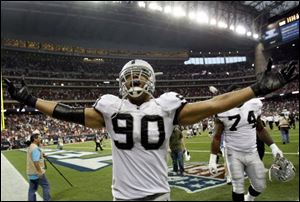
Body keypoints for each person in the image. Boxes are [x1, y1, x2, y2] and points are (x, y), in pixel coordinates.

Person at [5, 58, 297, 201]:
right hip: (122, 195)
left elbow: (213, 104)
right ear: (121, 82)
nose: (135, 82)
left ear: (151, 82)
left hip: (158, 194)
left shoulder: (167, 106)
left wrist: (258, 88)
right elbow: (68, 113)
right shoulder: (109, 107)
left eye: (140, 77)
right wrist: (30, 99)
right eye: (130, 77)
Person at [208, 85, 284, 202]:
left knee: (260, 185)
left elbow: (260, 129)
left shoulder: (254, 105)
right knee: (237, 186)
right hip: (233, 152)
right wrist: (212, 159)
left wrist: (274, 147)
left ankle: (249, 198)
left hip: (252, 151)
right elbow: (217, 136)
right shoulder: (223, 110)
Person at [27, 130, 51, 201]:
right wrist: (40, 171)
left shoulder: (31, 146)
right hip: (37, 172)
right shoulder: (35, 148)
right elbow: (36, 161)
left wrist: (41, 154)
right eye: (39, 138)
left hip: (30, 172)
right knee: (46, 186)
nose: (40, 139)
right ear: (35, 139)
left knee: (32, 190)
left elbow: (33, 157)